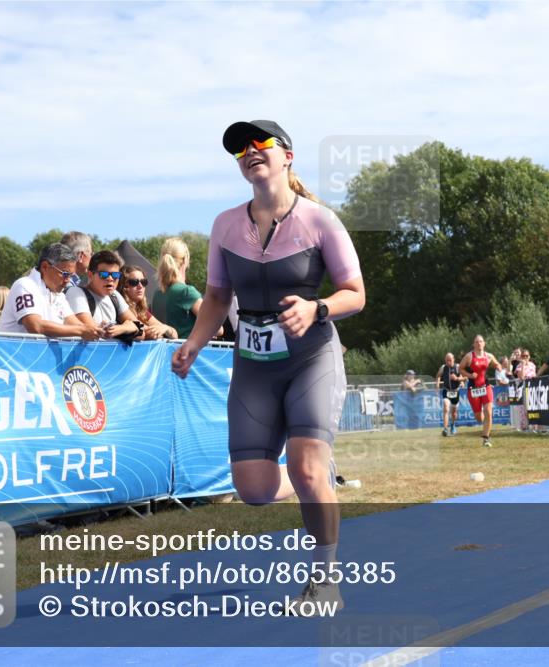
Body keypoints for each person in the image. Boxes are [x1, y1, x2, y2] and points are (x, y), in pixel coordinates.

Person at [171, 120, 364, 616]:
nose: (250, 151)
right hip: (254, 364)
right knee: (252, 490)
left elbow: (356, 294)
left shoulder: (321, 220)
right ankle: (316, 477)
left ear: (288, 156)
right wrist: (194, 344)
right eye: (240, 148)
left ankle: (324, 579)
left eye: (261, 143)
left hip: (311, 356)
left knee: (304, 467)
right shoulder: (224, 225)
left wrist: (316, 308)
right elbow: (216, 297)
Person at [0, 243, 103, 340]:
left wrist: (98, 330)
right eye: (65, 274)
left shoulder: (58, 294)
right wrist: (82, 331)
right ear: (45, 267)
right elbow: (36, 326)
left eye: (71, 276)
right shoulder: (24, 285)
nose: (68, 281)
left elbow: (76, 324)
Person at [65, 250, 143, 341]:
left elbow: (142, 333)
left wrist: (126, 328)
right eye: (104, 274)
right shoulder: (76, 293)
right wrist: (128, 328)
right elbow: (92, 332)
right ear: (90, 275)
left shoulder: (115, 296)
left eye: (115, 275)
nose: (110, 279)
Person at [153, 237, 210, 339]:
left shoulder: (157, 294)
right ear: (185, 260)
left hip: (164, 353)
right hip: (188, 352)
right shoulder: (186, 292)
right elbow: (217, 329)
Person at [459, 335, 502, 448]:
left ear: (484, 343)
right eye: (476, 342)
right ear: (474, 344)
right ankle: (485, 427)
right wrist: (469, 375)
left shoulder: (489, 356)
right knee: (479, 417)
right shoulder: (469, 356)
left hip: (486, 386)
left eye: (481, 341)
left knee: (488, 411)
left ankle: (486, 438)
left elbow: (496, 363)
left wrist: (498, 366)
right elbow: (460, 369)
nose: (479, 343)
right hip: (473, 389)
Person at [118, 265, 177, 340]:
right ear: (123, 286)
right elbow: (147, 332)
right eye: (134, 282)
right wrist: (160, 331)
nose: (140, 286)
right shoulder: (121, 309)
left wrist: (164, 328)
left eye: (143, 282)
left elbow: (175, 335)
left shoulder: (141, 311)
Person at [435, 352, 462, 436]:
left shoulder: (457, 367)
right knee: (446, 408)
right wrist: (437, 385)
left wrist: (458, 380)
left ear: (453, 359)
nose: (448, 362)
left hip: (455, 391)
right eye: (447, 360)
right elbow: (438, 375)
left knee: (454, 412)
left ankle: (453, 425)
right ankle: (445, 429)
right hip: (446, 390)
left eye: (450, 360)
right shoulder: (443, 367)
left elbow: (463, 377)